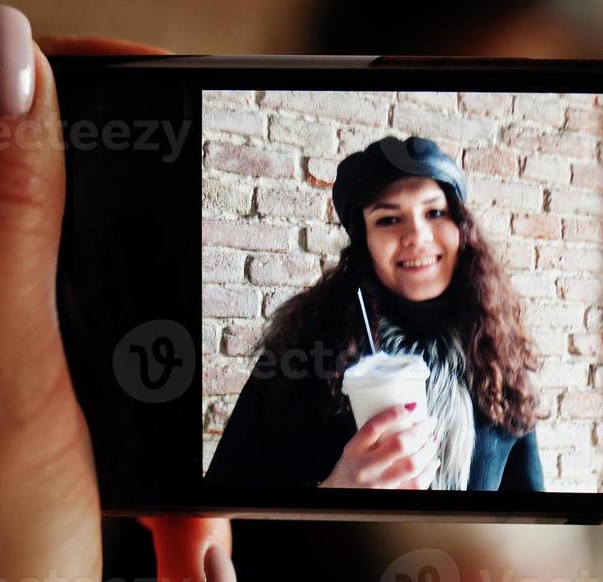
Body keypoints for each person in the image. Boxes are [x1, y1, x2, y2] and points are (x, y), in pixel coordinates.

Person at [205, 136, 545, 492]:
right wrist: (333, 496)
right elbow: (220, 514)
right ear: (363, 242)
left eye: (435, 212)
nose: (417, 234)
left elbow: (533, 518)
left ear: (460, 229)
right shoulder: (300, 355)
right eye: (388, 219)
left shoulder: (498, 355)